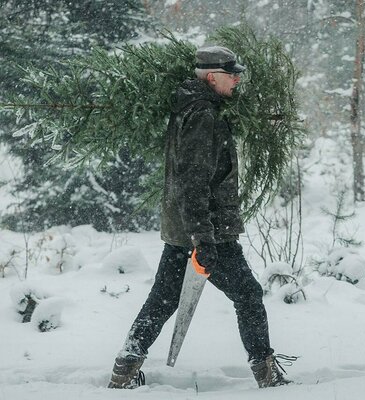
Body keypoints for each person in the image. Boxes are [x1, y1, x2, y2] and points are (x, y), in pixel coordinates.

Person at [107, 46, 293, 389]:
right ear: (211, 77)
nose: (237, 79)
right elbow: (192, 180)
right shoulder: (203, 114)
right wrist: (202, 238)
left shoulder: (190, 107)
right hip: (207, 230)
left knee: (162, 301)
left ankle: (124, 371)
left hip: (187, 228)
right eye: (231, 74)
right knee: (248, 296)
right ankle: (267, 375)